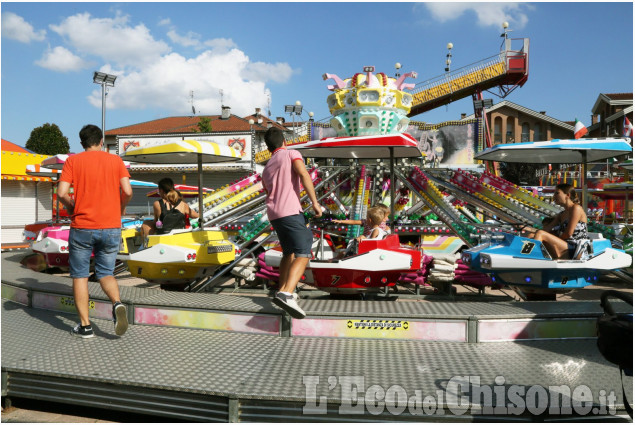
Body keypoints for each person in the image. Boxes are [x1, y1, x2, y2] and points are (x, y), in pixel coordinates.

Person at [57, 124, 133, 338]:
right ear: (101, 142)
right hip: (111, 226)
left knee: (80, 276)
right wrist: (120, 209)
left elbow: (62, 193)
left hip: (82, 226)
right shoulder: (115, 160)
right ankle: (117, 303)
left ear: (81, 143)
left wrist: (73, 208)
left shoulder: (73, 161)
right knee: (106, 273)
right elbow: (127, 190)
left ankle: (85, 326)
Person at [261, 127, 322, 319]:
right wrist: (315, 202)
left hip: (274, 214)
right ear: (284, 142)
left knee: (288, 252)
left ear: (269, 147)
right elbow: (303, 175)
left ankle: (282, 290)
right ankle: (286, 293)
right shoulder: (291, 154)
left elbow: (268, 190)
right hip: (290, 211)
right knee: (304, 251)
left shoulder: (267, 166)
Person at [531, 183, 589, 259]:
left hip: (576, 248)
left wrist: (554, 240)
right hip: (565, 245)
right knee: (531, 235)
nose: (554, 196)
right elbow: (546, 230)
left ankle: (532, 258)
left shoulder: (576, 208)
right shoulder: (561, 214)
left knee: (540, 234)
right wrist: (529, 230)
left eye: (557, 193)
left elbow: (568, 234)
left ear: (567, 195)